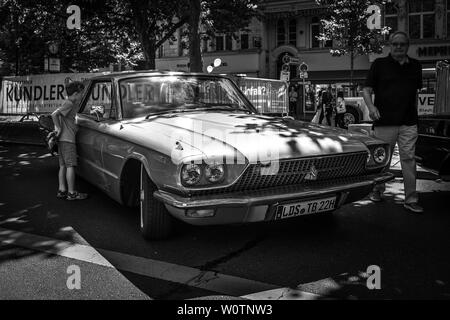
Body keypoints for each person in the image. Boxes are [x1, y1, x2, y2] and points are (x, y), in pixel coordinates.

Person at [362, 30, 423, 213]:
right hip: (384, 122)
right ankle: (377, 190)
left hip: (408, 122)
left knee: (408, 159)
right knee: (382, 160)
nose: (398, 47)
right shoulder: (379, 64)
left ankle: (411, 199)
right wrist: (372, 108)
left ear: (407, 46)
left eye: (402, 44)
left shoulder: (415, 66)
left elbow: (415, 93)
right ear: (390, 45)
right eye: (395, 44)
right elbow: (366, 89)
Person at [51, 81, 88, 201]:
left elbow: (66, 116)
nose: (82, 95)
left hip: (62, 139)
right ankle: (72, 193)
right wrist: (58, 127)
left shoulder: (69, 103)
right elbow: (54, 114)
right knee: (70, 165)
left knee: (63, 166)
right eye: (81, 93)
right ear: (76, 93)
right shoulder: (69, 103)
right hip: (68, 139)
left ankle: (62, 190)